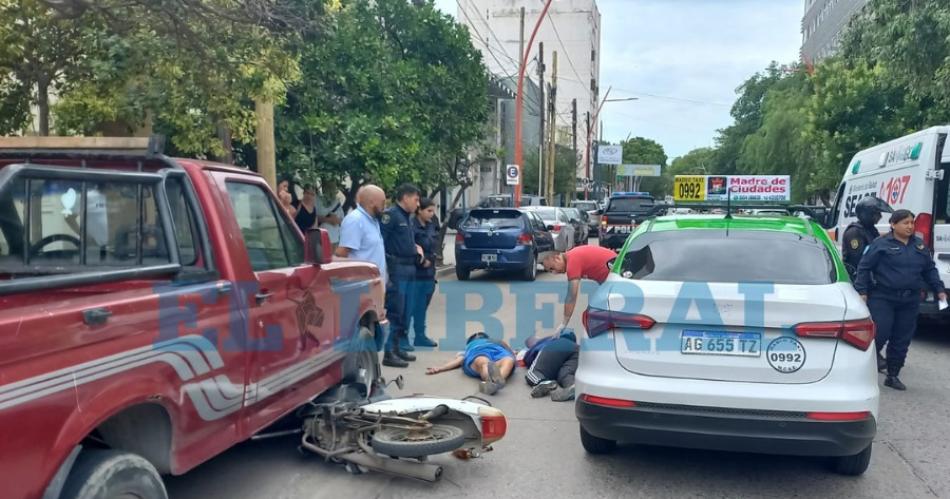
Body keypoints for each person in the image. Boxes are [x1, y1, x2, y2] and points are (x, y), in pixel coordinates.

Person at [854, 210, 947, 391]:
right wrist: (862, 291)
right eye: (905, 223)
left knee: (902, 338)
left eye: (912, 223)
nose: (910, 226)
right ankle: (862, 370)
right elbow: (864, 268)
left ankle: (893, 374)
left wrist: (939, 290)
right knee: (880, 334)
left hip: (909, 299)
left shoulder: (919, 246)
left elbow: (929, 270)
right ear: (893, 224)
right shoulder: (880, 245)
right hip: (883, 297)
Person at [379, 183, 424, 368]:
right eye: (416, 199)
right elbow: (382, 242)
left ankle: (397, 347)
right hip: (397, 268)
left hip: (410, 267)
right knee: (396, 311)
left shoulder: (407, 217)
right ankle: (389, 351)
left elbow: (405, 242)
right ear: (405, 197)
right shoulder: (391, 216)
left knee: (406, 311)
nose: (418, 203)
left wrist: (415, 249)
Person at [542, 245, 618, 329]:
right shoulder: (571, 256)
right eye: (550, 271)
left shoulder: (572, 262)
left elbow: (571, 296)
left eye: (552, 268)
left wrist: (564, 323)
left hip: (616, 271)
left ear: (557, 258)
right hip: (612, 273)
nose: (555, 273)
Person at [425, 332, 515, 395]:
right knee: (485, 361)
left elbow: (459, 360)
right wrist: (440, 368)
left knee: (507, 360)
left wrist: (440, 368)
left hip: (497, 352)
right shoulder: (468, 347)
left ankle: (495, 381)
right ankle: (493, 380)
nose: (478, 336)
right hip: (480, 353)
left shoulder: (495, 341)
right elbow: (459, 360)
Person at [403, 197, 439, 351]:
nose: (432, 214)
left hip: (429, 272)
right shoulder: (411, 226)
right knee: (410, 307)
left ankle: (420, 336)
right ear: (419, 210)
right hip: (416, 272)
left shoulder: (432, 224)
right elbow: (410, 247)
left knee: (422, 306)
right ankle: (402, 338)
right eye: (429, 210)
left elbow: (434, 244)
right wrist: (421, 260)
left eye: (433, 210)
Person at [842, 196, 891, 279]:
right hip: (858, 277)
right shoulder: (854, 232)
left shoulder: (871, 229)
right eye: (877, 213)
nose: (880, 216)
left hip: (870, 275)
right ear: (867, 214)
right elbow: (859, 259)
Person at [523, 328, 579, 402]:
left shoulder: (550, 340)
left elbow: (528, 357)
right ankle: (572, 385)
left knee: (533, 373)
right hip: (577, 350)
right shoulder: (574, 344)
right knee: (565, 374)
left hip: (555, 346)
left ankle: (543, 382)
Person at [316, 178, 344, 248]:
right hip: (322, 238)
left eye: (333, 186)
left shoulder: (337, 202)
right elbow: (312, 217)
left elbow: (342, 219)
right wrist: (328, 220)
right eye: (329, 186)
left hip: (336, 238)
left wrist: (336, 220)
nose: (332, 189)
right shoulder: (317, 200)